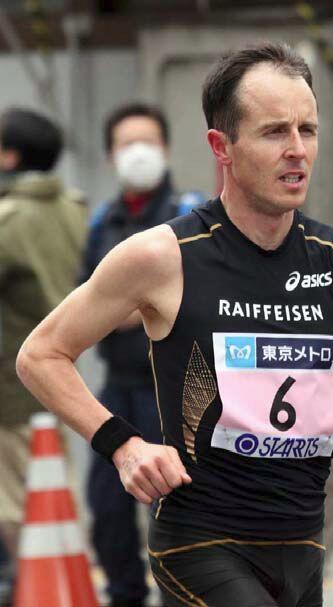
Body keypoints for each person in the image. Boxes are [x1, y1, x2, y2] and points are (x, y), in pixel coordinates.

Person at [16, 43, 333, 607]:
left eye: (308, 130)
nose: (297, 151)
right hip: (199, 543)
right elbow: (40, 354)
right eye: (274, 132)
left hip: (302, 547)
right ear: (222, 146)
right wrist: (125, 446)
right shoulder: (162, 256)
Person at [78, 102, 199, 607]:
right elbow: (83, 298)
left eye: (147, 142)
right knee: (107, 507)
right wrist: (120, 306)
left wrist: (128, 304)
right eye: (127, 144)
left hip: (173, 391)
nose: (138, 153)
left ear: (166, 148)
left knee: (174, 507)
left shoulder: (189, 214)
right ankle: (124, 595)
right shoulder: (101, 221)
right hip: (118, 387)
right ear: (111, 155)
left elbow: (195, 296)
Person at [0, 107, 86, 602]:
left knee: (18, 501)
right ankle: (69, 587)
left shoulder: (9, 219)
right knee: (58, 489)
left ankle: (39, 592)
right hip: (61, 376)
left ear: (11, 156)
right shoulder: (73, 208)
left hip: (12, 384)